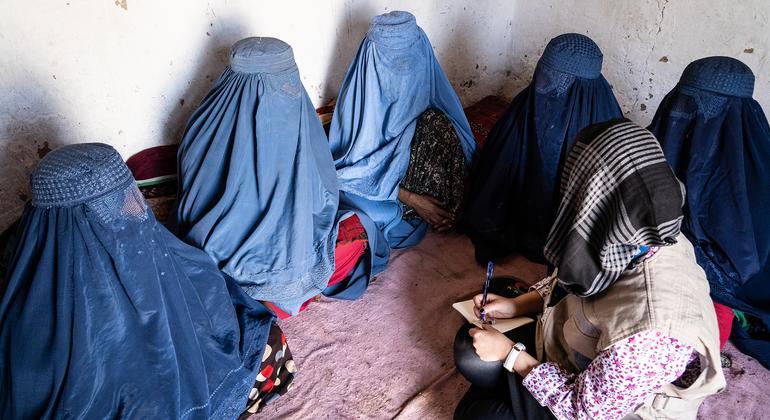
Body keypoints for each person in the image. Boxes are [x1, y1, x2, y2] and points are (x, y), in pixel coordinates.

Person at [454, 120, 725, 419]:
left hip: (600, 406)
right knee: (473, 343)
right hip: (578, 350)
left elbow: (582, 411)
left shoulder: (650, 339)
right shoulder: (642, 233)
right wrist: (517, 304)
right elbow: (574, 284)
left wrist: (511, 355)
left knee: (479, 412)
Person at [0, 143, 294, 418]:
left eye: (131, 196)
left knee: (260, 331)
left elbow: (199, 279)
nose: (136, 210)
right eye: (119, 202)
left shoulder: (35, 248)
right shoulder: (59, 304)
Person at [175, 37, 367, 314]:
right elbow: (321, 201)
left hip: (228, 263)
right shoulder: (212, 128)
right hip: (252, 264)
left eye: (289, 80)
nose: (288, 89)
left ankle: (254, 301)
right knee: (357, 242)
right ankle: (261, 300)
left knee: (363, 230)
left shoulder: (204, 123)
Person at [648, 56, 770, 369]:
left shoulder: (751, 176)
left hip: (726, 277)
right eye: (683, 103)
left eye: (700, 106)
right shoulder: (659, 139)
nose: (683, 115)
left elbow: (740, 262)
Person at [463, 33, 622, 265]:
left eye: (556, 79)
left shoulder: (603, 126)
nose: (543, 85)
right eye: (543, 73)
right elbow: (496, 172)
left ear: (580, 84)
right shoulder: (524, 110)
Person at [328, 11, 477, 253]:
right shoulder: (358, 103)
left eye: (410, 63)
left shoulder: (433, 113)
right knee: (371, 211)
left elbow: (461, 154)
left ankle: (435, 215)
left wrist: (451, 208)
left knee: (441, 128)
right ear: (370, 61)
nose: (403, 73)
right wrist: (411, 199)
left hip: (412, 173)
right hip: (380, 193)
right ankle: (412, 214)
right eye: (392, 66)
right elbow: (345, 175)